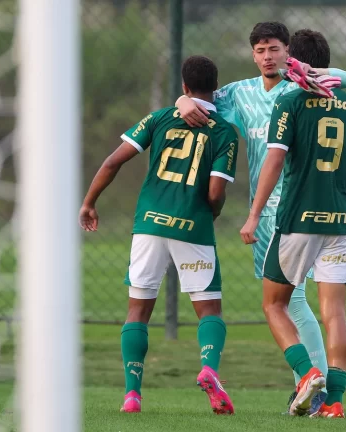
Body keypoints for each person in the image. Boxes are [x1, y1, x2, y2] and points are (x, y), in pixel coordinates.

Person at [176, 22, 346, 413]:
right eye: (259, 50)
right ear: (252, 54)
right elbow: (201, 100)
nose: (267, 56)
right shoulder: (240, 93)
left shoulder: (301, 87)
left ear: (287, 51)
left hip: (293, 207)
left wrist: (309, 72)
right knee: (294, 302)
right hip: (270, 207)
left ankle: (312, 384)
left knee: (290, 303)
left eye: (274, 48)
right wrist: (181, 101)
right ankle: (311, 386)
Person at [240, 29, 346, 418]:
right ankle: (335, 401)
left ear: (296, 61)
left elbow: (274, 161)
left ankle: (307, 372)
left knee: (273, 304)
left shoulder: (290, 103)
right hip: (339, 223)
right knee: (335, 314)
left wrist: (254, 214)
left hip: (296, 220)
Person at [78, 55, 238, 414]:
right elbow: (214, 193)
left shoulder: (160, 117)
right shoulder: (225, 131)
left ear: (184, 87)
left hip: (149, 225)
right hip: (192, 226)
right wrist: (212, 212)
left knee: (137, 310)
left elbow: (112, 162)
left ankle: (132, 395)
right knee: (209, 309)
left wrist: (89, 202)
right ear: (215, 87)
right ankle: (209, 370)